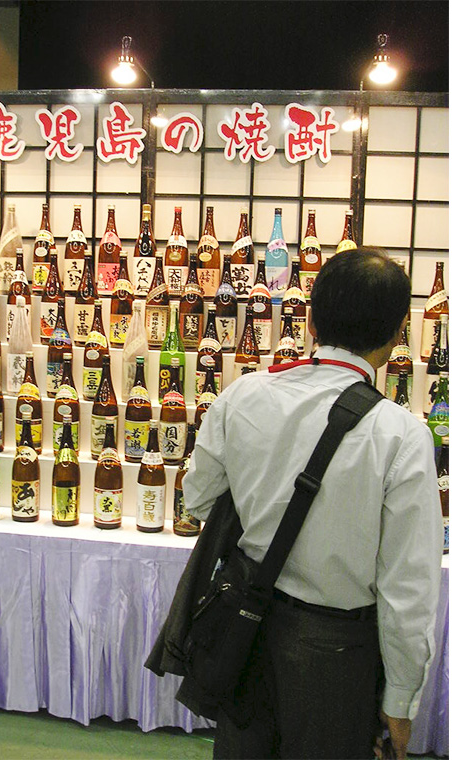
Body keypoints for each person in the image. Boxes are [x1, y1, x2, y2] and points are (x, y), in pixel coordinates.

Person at [181, 247, 443, 760]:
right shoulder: (401, 435)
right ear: (397, 334)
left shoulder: (243, 394)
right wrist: (400, 700)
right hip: (336, 652)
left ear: (311, 320)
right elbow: (407, 588)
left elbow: (199, 496)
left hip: (246, 630)